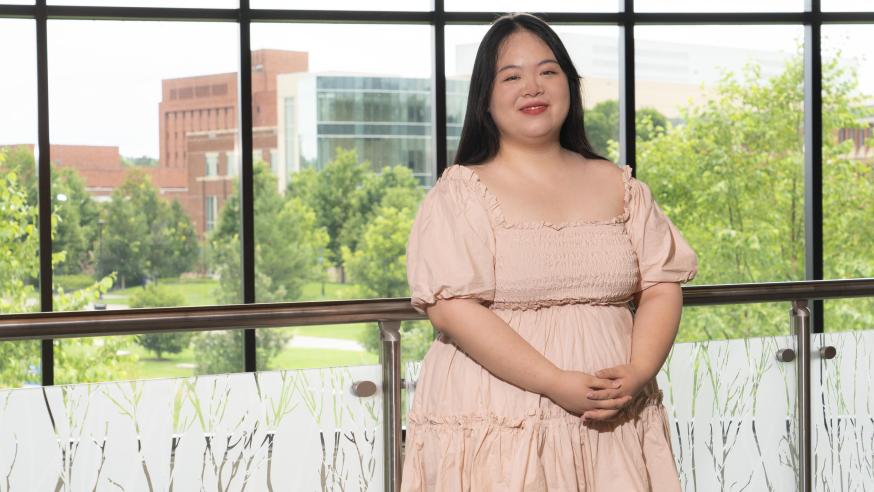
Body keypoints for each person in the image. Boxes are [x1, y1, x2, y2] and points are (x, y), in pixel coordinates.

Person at [401, 12, 698, 492]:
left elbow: (662, 284)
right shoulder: (461, 192)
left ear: (569, 85)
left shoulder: (619, 185)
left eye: (548, 71)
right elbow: (451, 311)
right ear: (485, 97)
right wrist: (555, 381)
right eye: (511, 76)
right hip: (497, 420)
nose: (532, 87)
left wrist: (640, 370)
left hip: (612, 417)